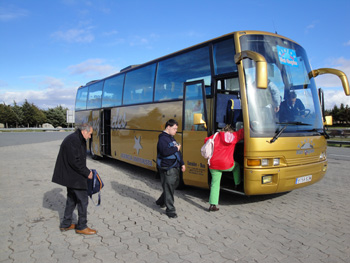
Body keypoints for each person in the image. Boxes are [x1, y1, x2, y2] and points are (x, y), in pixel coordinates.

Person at [52, 123, 96, 235]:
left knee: (72, 199)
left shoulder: (76, 138)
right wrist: (87, 173)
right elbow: (75, 161)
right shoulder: (74, 140)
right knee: (83, 201)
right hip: (74, 177)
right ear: (84, 131)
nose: (90, 137)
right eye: (90, 134)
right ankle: (82, 226)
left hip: (71, 176)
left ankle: (66, 224)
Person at [205, 124, 244, 212]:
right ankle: (237, 184)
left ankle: (213, 205)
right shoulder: (234, 136)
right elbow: (243, 132)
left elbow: (206, 140)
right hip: (227, 165)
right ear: (231, 131)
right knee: (236, 166)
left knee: (215, 184)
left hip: (214, 164)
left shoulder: (215, 136)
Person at [155, 119, 185, 218]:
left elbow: (178, 153)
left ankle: (161, 201)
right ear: (168, 127)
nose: (176, 130)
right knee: (169, 187)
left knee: (173, 185)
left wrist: (182, 163)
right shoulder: (163, 138)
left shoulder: (171, 138)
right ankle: (170, 210)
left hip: (175, 165)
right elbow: (164, 151)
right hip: (167, 167)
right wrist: (176, 148)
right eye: (174, 128)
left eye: (176, 129)